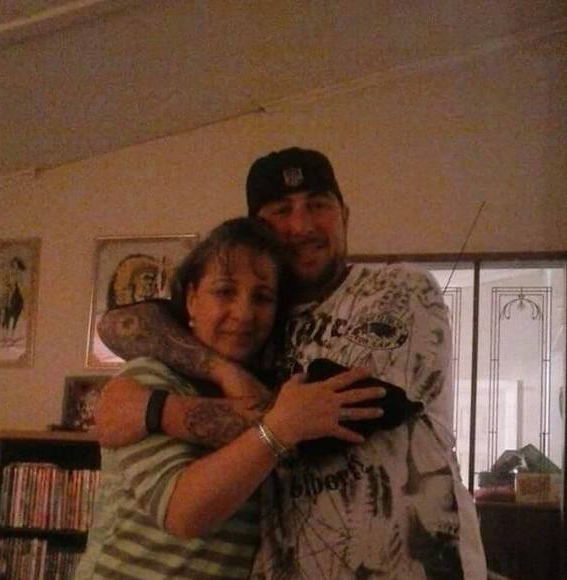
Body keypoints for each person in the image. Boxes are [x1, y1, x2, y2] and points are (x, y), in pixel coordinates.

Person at [96, 148, 487, 579]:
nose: (302, 226)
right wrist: (221, 370)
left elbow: (337, 420)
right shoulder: (260, 327)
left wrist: (158, 411)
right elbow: (119, 324)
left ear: (344, 215)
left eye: (317, 205)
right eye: (282, 211)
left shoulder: (396, 288)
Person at [76, 217, 383, 579]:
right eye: (224, 291)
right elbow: (183, 513)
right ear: (192, 298)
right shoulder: (151, 375)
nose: (244, 313)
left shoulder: (276, 384)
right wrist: (276, 429)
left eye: (262, 297)